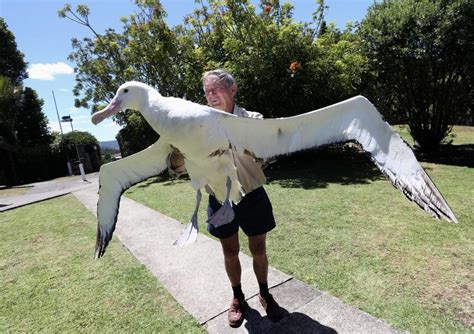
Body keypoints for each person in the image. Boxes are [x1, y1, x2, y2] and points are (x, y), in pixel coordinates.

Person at [168, 69, 286, 328]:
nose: (211, 96)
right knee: (230, 251)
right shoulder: (196, 124)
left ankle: (265, 294)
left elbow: (269, 150)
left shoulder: (252, 119)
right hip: (219, 199)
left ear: (233, 90)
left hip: (252, 195)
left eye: (216, 90)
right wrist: (179, 149)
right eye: (207, 92)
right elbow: (176, 166)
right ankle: (238, 298)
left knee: (259, 249)